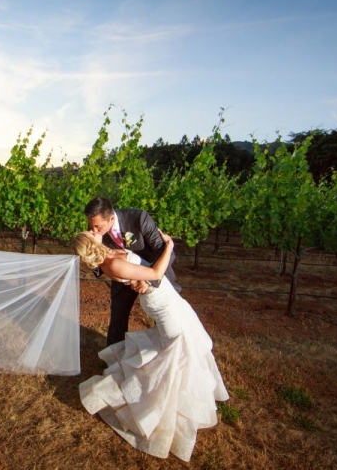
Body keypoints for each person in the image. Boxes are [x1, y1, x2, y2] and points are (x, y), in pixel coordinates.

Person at [71, 230, 228, 461]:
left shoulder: (109, 255)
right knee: (178, 349)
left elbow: (139, 271)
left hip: (165, 298)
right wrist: (169, 247)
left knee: (181, 345)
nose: (95, 231)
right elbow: (155, 273)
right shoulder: (112, 265)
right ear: (91, 244)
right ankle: (156, 406)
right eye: (91, 233)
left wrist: (139, 278)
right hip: (163, 304)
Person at [84, 197, 179, 346]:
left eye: (97, 227)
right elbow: (97, 266)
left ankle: (162, 351)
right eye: (91, 226)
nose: (93, 230)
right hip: (123, 279)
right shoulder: (96, 228)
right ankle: (114, 358)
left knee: (166, 320)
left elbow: (166, 252)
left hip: (156, 277)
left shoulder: (138, 218)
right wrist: (95, 250)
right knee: (118, 316)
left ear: (111, 218)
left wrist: (145, 280)